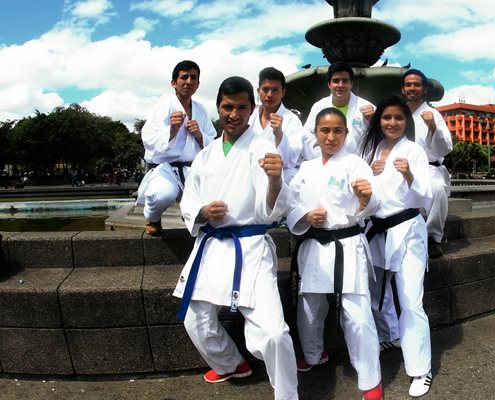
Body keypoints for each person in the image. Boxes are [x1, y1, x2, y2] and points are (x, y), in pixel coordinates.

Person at [173, 76, 298, 400]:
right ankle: (232, 363)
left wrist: (274, 180)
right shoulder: (206, 154)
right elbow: (189, 201)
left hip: (250, 247)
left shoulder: (262, 148)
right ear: (218, 108)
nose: (234, 114)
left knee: (273, 334)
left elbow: (271, 210)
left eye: (242, 107)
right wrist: (202, 211)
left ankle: (287, 395)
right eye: (228, 107)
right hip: (213, 248)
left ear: (251, 108)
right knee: (194, 319)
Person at [287, 108, 384, 400]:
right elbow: (290, 204)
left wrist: (366, 197)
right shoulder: (305, 168)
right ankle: (315, 355)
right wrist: (305, 216)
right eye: (325, 130)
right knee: (309, 308)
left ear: (345, 133)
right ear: (316, 133)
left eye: (337, 131)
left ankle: (370, 379)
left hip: (346, 245)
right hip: (314, 247)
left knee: (357, 315)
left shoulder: (355, 164)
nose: (331, 137)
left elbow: (373, 202)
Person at [360, 95, 433, 398]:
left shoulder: (414, 151)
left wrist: (409, 174)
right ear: (379, 121)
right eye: (386, 118)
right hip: (378, 230)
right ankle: (392, 335)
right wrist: (370, 176)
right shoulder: (374, 151)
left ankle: (421, 369)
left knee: (410, 299)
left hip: (407, 231)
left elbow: (424, 197)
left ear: (407, 122)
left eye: (398, 118)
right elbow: (367, 198)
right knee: (379, 291)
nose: (392, 123)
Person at [137, 60, 217, 236]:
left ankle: (190, 215)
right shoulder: (162, 108)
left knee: (215, 196)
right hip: (166, 169)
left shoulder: (201, 110)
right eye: (184, 77)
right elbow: (148, 139)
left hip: (193, 167)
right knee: (162, 194)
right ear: (174, 83)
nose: (189, 81)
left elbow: (213, 140)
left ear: (198, 83)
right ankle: (153, 217)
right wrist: (171, 131)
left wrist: (200, 135)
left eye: (193, 78)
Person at [401, 69, 452, 258]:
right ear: (403, 89)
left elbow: (445, 148)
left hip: (428, 167)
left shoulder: (433, 114)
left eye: (416, 84)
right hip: (401, 167)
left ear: (424, 89)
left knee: (437, 189)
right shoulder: (399, 113)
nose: (412, 88)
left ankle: (433, 237)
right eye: (408, 85)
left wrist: (433, 127)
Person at [300, 62, 374, 160]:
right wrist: (324, 158)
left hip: (357, 167)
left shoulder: (369, 109)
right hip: (325, 164)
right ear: (329, 84)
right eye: (336, 81)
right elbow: (306, 137)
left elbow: (379, 141)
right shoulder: (318, 107)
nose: (340, 85)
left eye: (345, 81)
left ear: (351, 83)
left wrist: (374, 121)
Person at [249, 67, 303, 184]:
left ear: (283, 92)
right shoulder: (250, 116)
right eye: (266, 89)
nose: (269, 94)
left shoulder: (292, 120)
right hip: (249, 175)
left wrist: (279, 134)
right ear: (258, 91)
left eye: (275, 90)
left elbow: (290, 161)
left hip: (278, 180)